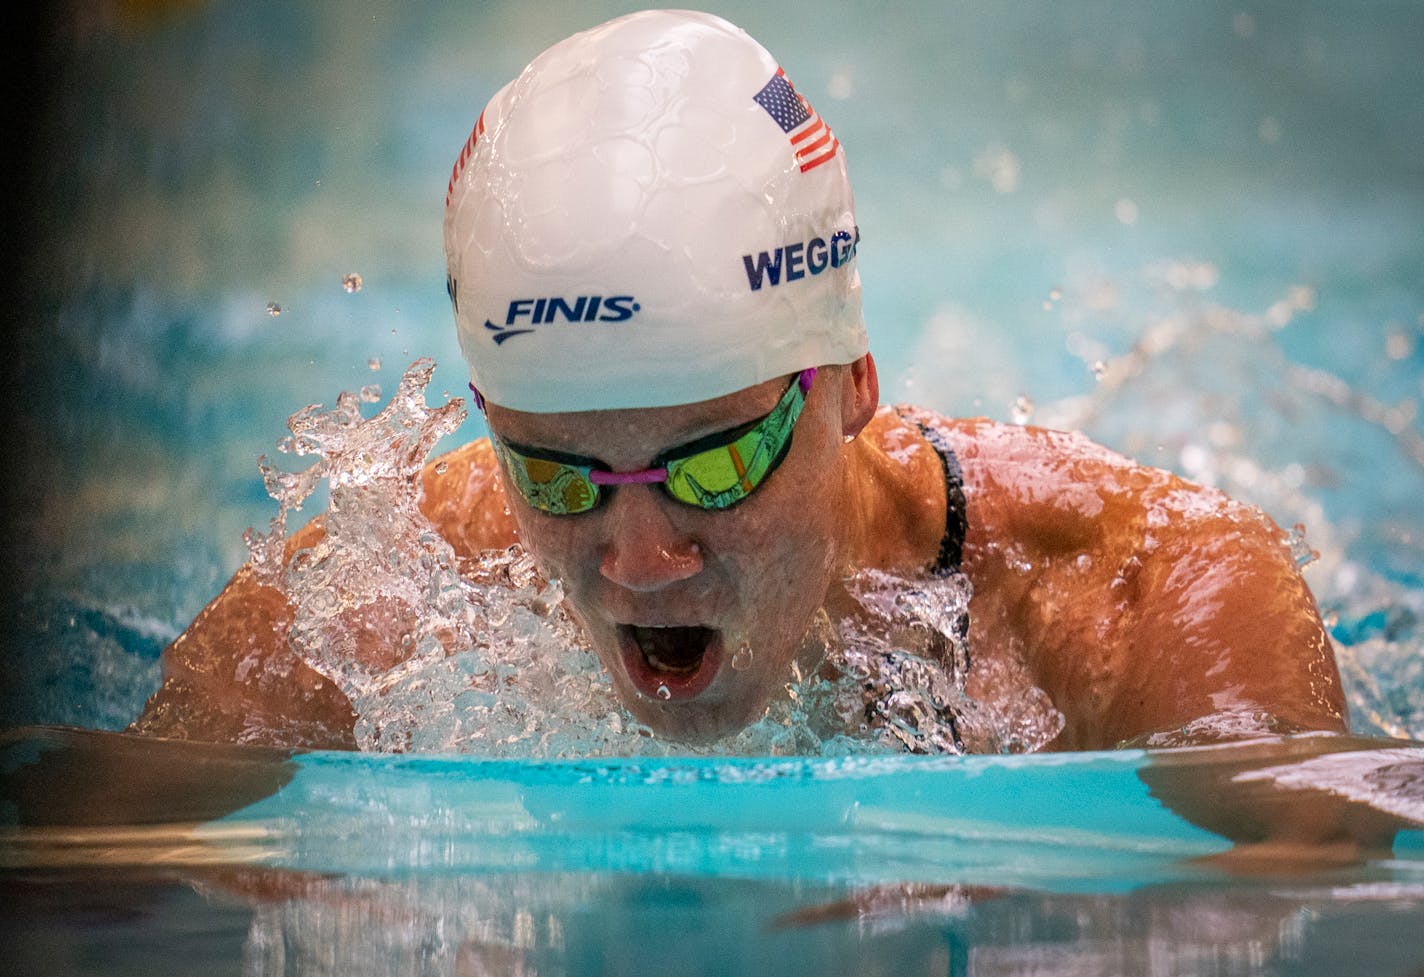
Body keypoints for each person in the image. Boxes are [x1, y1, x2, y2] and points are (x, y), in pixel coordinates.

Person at [133, 9, 1347, 752]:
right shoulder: (388, 595)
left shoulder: (1140, 603)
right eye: (557, 478)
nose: (638, 555)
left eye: (712, 461)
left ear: (851, 381)